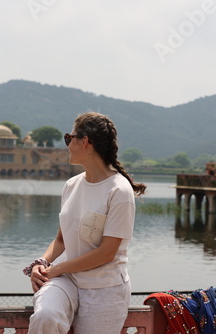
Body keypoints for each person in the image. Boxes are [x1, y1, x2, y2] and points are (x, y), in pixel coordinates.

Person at [23, 111, 147, 334]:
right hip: (66, 280)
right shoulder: (71, 185)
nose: (67, 145)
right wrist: (41, 263)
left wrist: (55, 269)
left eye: (69, 138)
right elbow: (61, 239)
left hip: (104, 288)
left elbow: (107, 253)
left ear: (85, 141)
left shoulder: (118, 191)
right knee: (45, 316)